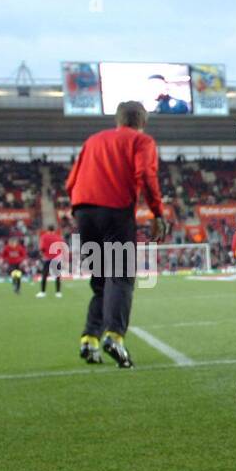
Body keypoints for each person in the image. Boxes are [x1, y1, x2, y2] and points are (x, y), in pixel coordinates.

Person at [65, 100, 168, 368]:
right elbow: (145, 173)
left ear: (117, 120)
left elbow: (71, 181)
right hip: (115, 210)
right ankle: (114, 336)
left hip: (84, 211)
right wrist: (157, 213)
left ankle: (89, 339)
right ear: (142, 122)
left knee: (100, 282)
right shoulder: (141, 142)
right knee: (120, 276)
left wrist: (79, 210)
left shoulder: (93, 140)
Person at [38, 223, 65, 297]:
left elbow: (42, 248)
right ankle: (58, 292)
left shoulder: (44, 237)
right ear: (54, 230)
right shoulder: (58, 237)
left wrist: (42, 255)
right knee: (57, 276)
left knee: (44, 275)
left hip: (47, 258)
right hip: (57, 258)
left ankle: (43, 292)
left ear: (47, 229)